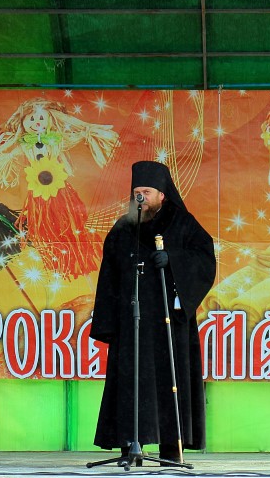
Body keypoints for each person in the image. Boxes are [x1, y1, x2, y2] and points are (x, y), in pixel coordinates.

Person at [90, 160, 216, 465]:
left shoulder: (183, 223)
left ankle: (171, 450)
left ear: (162, 194)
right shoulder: (124, 227)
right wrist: (107, 321)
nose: (140, 197)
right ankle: (129, 447)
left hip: (168, 325)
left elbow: (204, 259)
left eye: (146, 192)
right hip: (131, 323)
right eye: (137, 192)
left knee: (170, 383)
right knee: (131, 384)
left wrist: (173, 259)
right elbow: (109, 274)